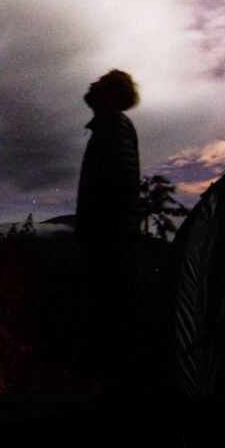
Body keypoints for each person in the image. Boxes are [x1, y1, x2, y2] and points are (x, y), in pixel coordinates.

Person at [74, 69, 144, 400]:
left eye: (101, 82)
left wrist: (102, 232)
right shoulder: (109, 127)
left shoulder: (114, 126)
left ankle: (118, 396)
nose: (93, 84)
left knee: (112, 317)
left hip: (111, 241)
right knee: (111, 316)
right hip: (110, 238)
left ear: (114, 93)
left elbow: (119, 184)